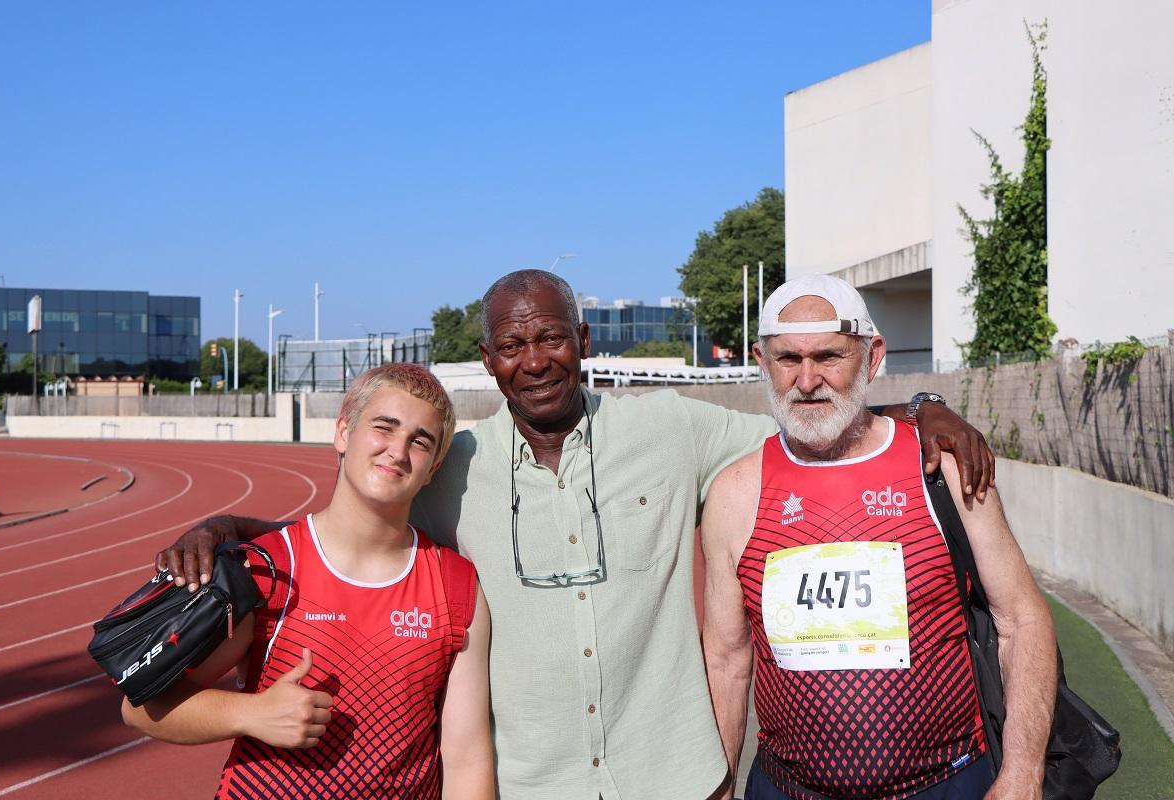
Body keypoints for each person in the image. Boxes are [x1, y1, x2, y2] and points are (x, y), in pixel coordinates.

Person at [157, 270, 996, 800]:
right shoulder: (456, 462)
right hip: (529, 785)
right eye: (514, 344)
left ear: (583, 342)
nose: (536, 359)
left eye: (552, 336)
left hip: (673, 777)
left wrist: (915, 410)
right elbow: (353, 527)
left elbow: (807, 427)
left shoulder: (670, 429)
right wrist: (230, 525)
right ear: (488, 359)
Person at [701, 274, 1056, 800]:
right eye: (788, 359)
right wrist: (721, 786)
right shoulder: (734, 493)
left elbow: (1022, 620)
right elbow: (728, 659)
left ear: (872, 358)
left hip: (948, 782)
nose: (807, 380)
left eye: (829, 356)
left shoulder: (941, 468)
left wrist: (1023, 772)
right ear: (762, 363)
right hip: (788, 788)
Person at [124, 364, 494, 799]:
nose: (398, 451)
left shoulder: (456, 586)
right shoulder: (267, 569)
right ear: (343, 433)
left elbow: (466, 754)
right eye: (384, 428)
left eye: (420, 441)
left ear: (432, 469)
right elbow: (141, 707)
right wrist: (251, 714)